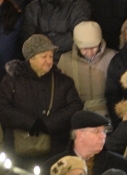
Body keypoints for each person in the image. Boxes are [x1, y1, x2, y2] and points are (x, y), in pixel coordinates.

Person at [0, 34, 83, 165]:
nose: (49, 61)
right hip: (18, 151)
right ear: (31, 58)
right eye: (44, 57)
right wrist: (30, 123)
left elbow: (76, 106)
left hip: (55, 150)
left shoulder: (63, 81)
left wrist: (48, 124)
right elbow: (3, 108)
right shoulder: (12, 80)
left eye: (50, 56)